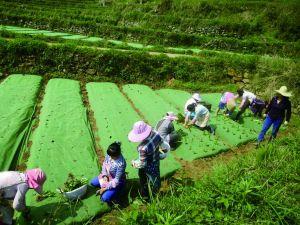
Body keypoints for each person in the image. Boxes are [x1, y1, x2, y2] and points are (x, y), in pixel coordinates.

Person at [128, 121, 164, 199]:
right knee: (155, 176)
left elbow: (143, 164)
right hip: (156, 160)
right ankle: (157, 189)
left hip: (148, 164)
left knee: (144, 178)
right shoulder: (156, 133)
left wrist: (134, 163)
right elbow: (161, 142)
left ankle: (149, 195)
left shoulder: (142, 148)